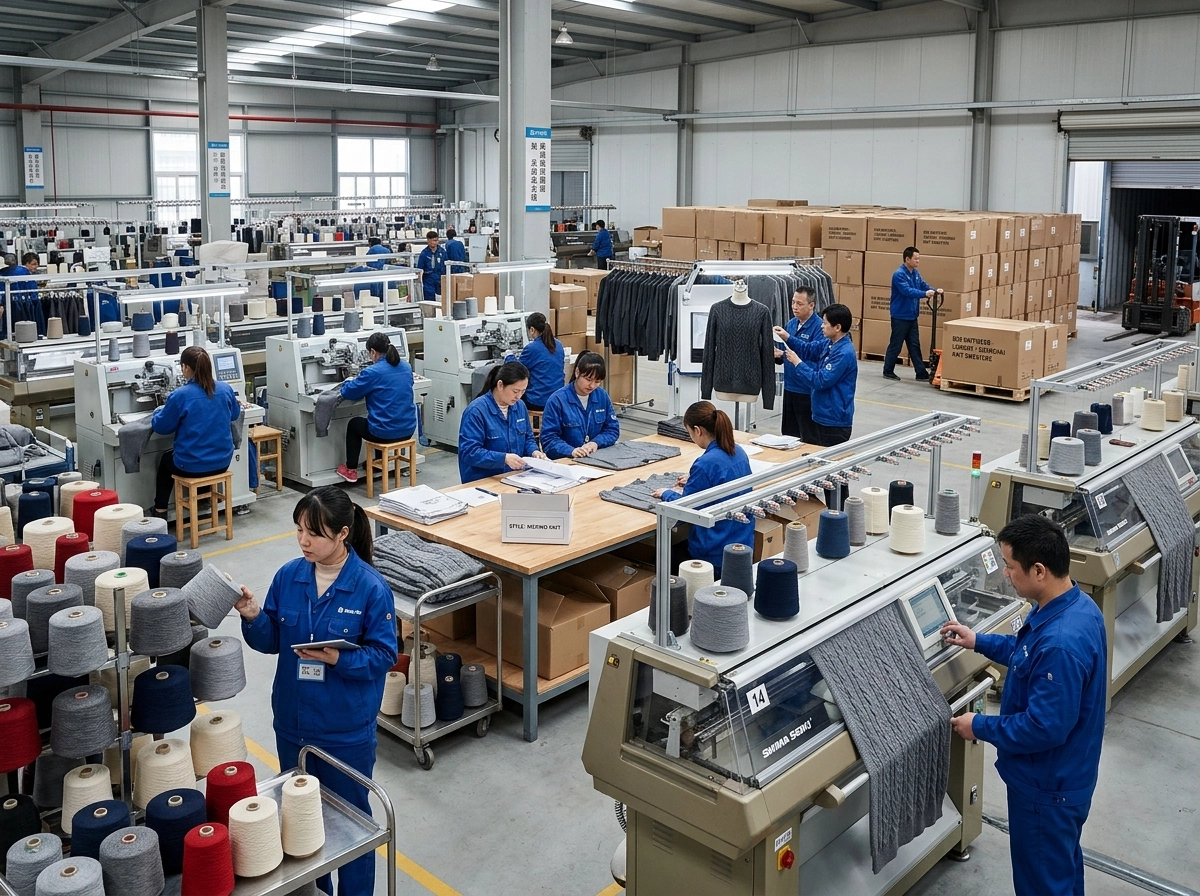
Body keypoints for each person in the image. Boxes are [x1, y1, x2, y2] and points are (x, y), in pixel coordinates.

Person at [237, 487, 397, 896]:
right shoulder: (289, 576)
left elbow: (383, 655)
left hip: (343, 729)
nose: (304, 541)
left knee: (352, 825)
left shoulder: (369, 588)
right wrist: (254, 616)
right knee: (302, 820)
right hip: (292, 722)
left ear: (343, 534)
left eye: (315, 533)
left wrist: (337, 659)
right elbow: (271, 639)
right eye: (299, 531)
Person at [942, 514, 1106, 896]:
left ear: (1038, 570)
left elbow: (1044, 727)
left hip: (1047, 790)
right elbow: (1025, 652)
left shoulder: (1062, 643)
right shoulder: (1075, 607)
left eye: (1010, 567)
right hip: (1067, 779)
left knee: (1042, 885)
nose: (1005, 573)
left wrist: (978, 727)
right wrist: (977, 640)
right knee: (1061, 872)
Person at [652, 401, 754, 577]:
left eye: (690, 433)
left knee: (660, 556)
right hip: (741, 542)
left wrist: (666, 493)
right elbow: (721, 479)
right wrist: (695, 480)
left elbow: (684, 512)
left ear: (698, 430)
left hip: (713, 551)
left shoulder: (705, 464)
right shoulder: (737, 451)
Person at [149, 345, 242, 516]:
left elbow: (162, 427)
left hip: (190, 466)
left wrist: (156, 413)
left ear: (185, 367)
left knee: (165, 460)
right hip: (222, 462)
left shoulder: (180, 395)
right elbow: (235, 414)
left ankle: (160, 510)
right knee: (203, 451)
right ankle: (203, 500)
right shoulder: (225, 389)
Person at [335, 332, 417, 484]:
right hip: (408, 429)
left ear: (372, 352)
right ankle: (378, 463)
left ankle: (350, 469)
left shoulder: (372, 372)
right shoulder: (406, 366)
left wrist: (348, 381)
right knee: (384, 416)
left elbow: (349, 392)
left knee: (355, 424)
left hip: (384, 432)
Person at [773, 302, 857, 447]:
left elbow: (820, 380)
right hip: (820, 415)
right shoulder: (829, 343)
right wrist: (787, 337)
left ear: (837, 327)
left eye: (825, 323)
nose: (821, 326)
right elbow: (807, 349)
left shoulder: (843, 353)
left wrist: (797, 362)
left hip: (833, 421)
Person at [457, 361, 546, 483]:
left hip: (514, 477)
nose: (519, 396)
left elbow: (528, 438)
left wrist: (534, 451)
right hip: (483, 480)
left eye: (523, 392)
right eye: (515, 391)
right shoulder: (476, 411)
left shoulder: (519, 406)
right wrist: (503, 458)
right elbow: (469, 452)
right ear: (500, 385)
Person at [540, 351, 620, 460]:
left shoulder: (602, 396)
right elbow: (548, 440)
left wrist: (595, 443)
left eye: (597, 381)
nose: (592, 385)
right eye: (588, 379)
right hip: (567, 461)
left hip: (598, 458)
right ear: (577, 372)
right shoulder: (557, 400)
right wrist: (571, 451)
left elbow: (612, 430)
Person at [884, 246, 940, 382]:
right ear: (907, 259)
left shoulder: (915, 273)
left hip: (912, 316)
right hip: (900, 316)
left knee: (914, 345)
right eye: (915, 258)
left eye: (918, 258)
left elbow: (922, 285)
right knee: (896, 344)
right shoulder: (899, 274)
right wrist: (924, 294)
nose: (917, 261)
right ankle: (888, 370)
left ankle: (921, 372)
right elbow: (907, 291)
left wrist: (934, 290)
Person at [775, 287, 823, 443]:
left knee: (807, 435)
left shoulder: (819, 328)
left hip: (806, 390)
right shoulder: (791, 324)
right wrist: (778, 355)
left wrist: (788, 339)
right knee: (789, 434)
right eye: (793, 302)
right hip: (790, 388)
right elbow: (785, 353)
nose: (795, 307)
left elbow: (812, 354)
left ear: (811, 305)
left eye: (800, 304)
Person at [515, 312, 566, 412]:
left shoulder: (532, 349)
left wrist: (509, 356)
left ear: (532, 330)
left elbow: (517, 369)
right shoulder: (558, 345)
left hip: (538, 401)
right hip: (558, 398)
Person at [415, 230, 448, 303]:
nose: (435, 242)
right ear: (428, 240)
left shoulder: (442, 252)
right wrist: (418, 284)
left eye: (436, 240)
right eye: (433, 240)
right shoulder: (424, 254)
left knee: (442, 301)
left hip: (440, 280)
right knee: (430, 302)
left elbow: (447, 266)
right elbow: (419, 270)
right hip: (428, 282)